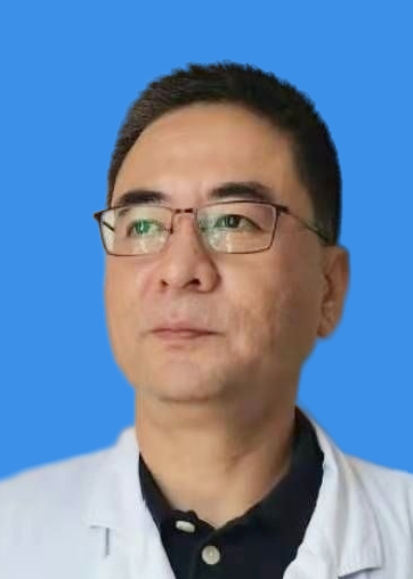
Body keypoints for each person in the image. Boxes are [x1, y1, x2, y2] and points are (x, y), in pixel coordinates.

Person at [0, 62, 412, 579]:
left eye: (233, 221)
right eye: (142, 225)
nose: (179, 269)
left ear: (328, 288)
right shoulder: (12, 537)